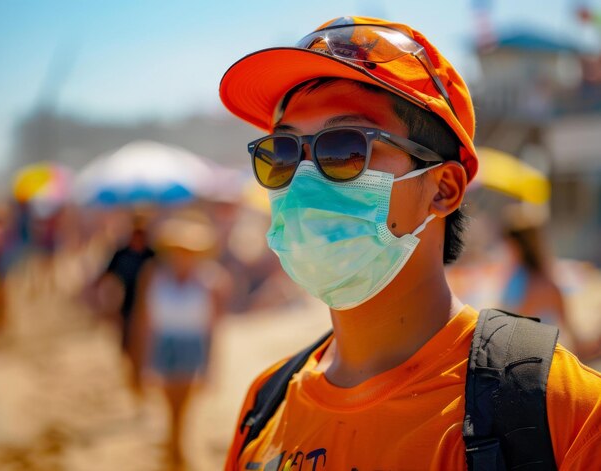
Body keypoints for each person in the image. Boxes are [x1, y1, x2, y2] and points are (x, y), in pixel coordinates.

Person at [218, 16, 601, 470]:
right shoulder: (265, 404)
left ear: (443, 189)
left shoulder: (565, 411)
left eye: (344, 148)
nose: (301, 180)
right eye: (281, 153)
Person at [132, 213, 225, 469]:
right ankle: (176, 447)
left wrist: (211, 364)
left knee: (181, 403)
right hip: (165, 342)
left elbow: (213, 327)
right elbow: (144, 320)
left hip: (190, 344)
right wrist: (142, 360)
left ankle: (176, 446)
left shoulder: (210, 280)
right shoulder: (154, 275)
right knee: (170, 401)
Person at [98, 217, 155, 395]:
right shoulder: (121, 253)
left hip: (148, 310)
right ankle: (133, 379)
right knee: (127, 347)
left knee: (144, 347)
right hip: (127, 308)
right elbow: (106, 276)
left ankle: (139, 382)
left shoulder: (152, 255)